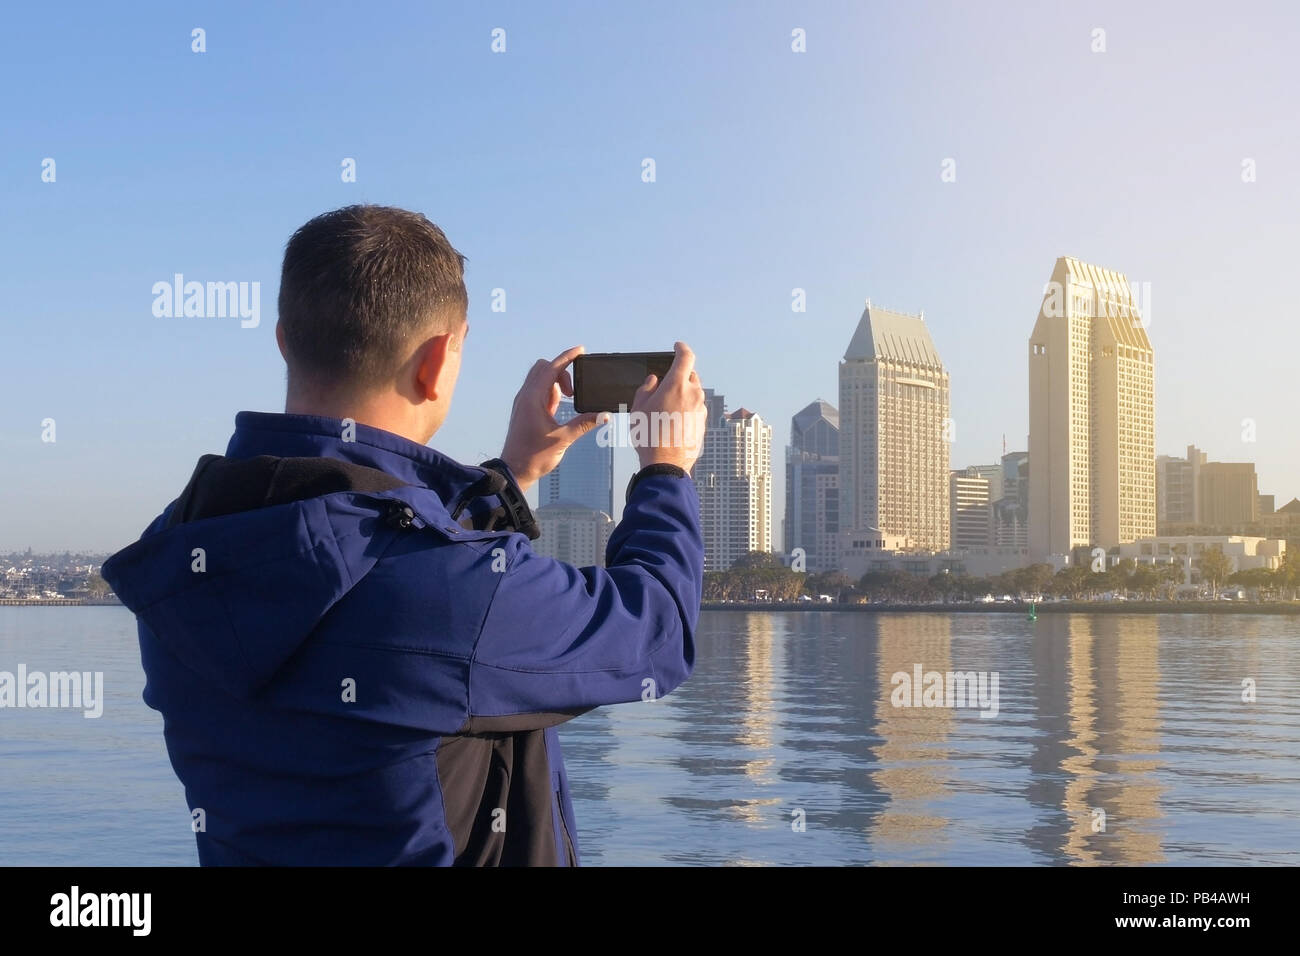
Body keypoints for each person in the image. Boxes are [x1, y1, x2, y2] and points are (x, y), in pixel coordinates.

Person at [101, 205, 706, 866]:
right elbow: (659, 631)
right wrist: (665, 469)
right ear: (438, 362)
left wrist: (508, 476)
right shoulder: (445, 594)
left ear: (284, 338)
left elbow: (366, 543)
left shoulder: (186, 543)